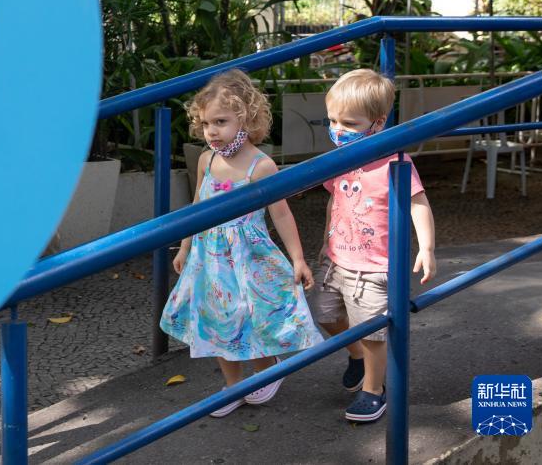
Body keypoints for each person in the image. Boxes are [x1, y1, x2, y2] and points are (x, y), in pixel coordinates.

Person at [161, 69, 323, 418]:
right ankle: (233, 385)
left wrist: (298, 258)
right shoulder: (207, 160)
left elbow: (281, 214)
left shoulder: (261, 166)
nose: (212, 131)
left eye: (221, 122)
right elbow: (197, 207)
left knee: (253, 315)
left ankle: (266, 370)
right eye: (206, 123)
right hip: (210, 259)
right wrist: (186, 247)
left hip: (248, 257)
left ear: (246, 118)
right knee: (217, 319)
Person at [310, 68, 436, 423]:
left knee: (374, 335)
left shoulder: (395, 162)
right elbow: (335, 200)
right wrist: (325, 239)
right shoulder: (342, 158)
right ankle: (356, 356)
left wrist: (426, 248)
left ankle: (373, 390)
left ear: (377, 123)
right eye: (332, 120)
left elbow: (418, 203)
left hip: (374, 266)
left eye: (349, 123)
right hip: (337, 258)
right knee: (325, 314)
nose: (337, 130)